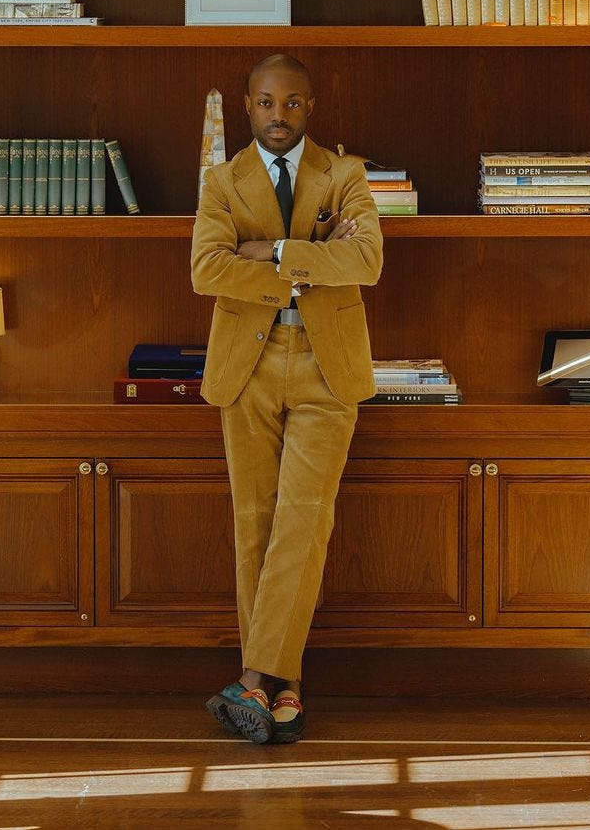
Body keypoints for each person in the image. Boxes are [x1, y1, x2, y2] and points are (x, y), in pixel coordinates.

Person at [191, 54, 383, 744]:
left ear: (311, 105)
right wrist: (306, 257)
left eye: (293, 103)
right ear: (248, 104)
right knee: (257, 523)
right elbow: (206, 268)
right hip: (247, 365)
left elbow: (367, 262)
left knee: (304, 519)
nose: (280, 115)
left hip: (329, 369)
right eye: (267, 102)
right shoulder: (222, 181)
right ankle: (286, 688)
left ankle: (251, 681)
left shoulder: (346, 174)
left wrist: (267, 252)